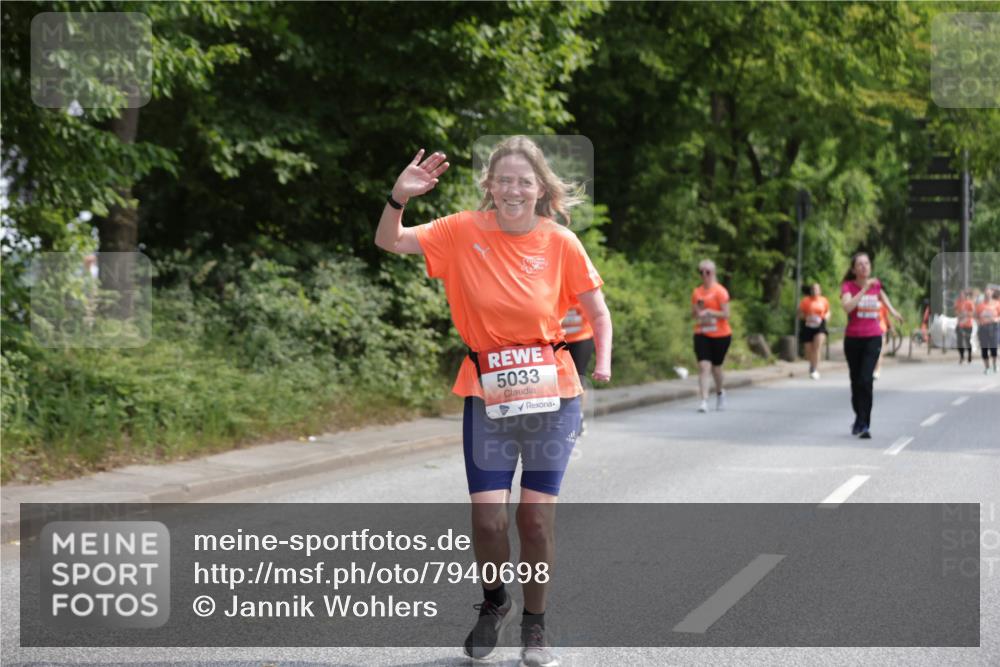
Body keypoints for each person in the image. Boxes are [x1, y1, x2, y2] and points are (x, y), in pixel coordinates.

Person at [374, 136, 612, 667]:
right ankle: (494, 602)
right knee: (487, 521)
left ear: (540, 189)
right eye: (503, 179)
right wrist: (399, 198)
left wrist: (603, 361)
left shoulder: (561, 242)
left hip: (553, 393)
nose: (512, 189)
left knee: (534, 520)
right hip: (487, 393)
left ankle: (535, 624)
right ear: (489, 185)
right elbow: (390, 242)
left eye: (523, 181)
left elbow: (598, 310)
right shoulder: (461, 230)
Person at [840, 252, 903, 439]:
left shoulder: (875, 285)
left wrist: (892, 311)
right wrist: (863, 290)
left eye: (866, 263)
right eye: (859, 264)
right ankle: (858, 417)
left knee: (866, 381)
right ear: (854, 269)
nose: (864, 267)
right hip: (853, 339)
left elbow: (881, 295)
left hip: (873, 337)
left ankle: (865, 423)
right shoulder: (848, 286)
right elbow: (847, 307)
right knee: (855, 382)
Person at [691, 259, 731, 412]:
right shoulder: (697, 292)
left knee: (716, 368)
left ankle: (720, 392)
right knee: (703, 366)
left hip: (721, 334)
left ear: (713, 273)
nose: (704, 275)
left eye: (707, 272)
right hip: (702, 333)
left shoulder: (720, 291)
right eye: (701, 272)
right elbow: (693, 314)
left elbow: (726, 314)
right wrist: (698, 313)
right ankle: (704, 400)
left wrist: (711, 312)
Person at [561, 296, 594, 435]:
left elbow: (597, 312)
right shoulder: (556, 287)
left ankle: (579, 416)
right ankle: (563, 417)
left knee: (579, 377)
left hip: (582, 338)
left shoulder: (583, 289)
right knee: (561, 379)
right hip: (560, 339)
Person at [798, 282, 830, 380]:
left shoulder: (824, 300)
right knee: (808, 350)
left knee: (817, 347)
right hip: (808, 326)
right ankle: (811, 365)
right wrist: (807, 317)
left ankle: (814, 369)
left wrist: (825, 317)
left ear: (820, 290)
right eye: (813, 289)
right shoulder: (805, 301)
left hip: (820, 326)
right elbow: (799, 314)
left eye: (817, 289)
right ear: (810, 290)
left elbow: (828, 311)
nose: (815, 291)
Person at [975, 288, 999, 374]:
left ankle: (995, 365)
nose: (987, 295)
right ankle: (987, 367)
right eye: (986, 294)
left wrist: (996, 319)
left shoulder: (997, 304)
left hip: (994, 327)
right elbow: (976, 317)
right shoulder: (980, 305)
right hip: (983, 328)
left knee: (993, 348)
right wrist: (979, 322)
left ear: (992, 294)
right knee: (984, 348)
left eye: (989, 293)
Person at [955, 289, 975, 364]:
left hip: (968, 325)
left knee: (967, 341)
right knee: (959, 342)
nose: (961, 296)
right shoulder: (958, 302)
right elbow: (956, 312)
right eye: (960, 295)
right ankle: (962, 356)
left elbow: (972, 313)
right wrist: (961, 315)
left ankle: (969, 354)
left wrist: (966, 314)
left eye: (962, 295)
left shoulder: (969, 303)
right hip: (960, 324)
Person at [874, 301, 891, 380]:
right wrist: (890, 327)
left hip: (877, 329)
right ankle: (877, 370)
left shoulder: (868, 301)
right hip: (880, 329)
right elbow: (886, 318)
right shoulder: (882, 304)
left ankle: (876, 370)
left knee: (876, 352)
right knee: (879, 352)